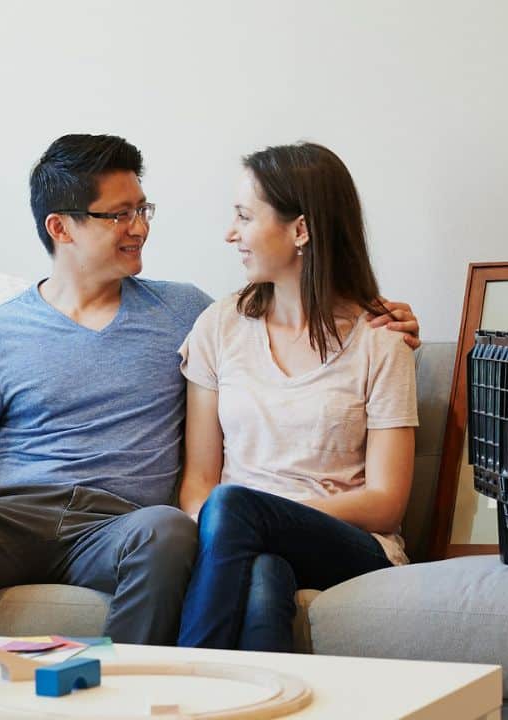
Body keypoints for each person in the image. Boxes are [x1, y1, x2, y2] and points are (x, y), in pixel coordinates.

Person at [0, 134, 421, 646]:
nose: (140, 227)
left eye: (142, 210)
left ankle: (128, 693)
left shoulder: (186, 312)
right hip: (12, 518)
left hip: (122, 525)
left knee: (168, 528)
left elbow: (296, 316)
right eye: (119, 215)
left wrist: (390, 319)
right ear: (61, 227)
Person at [176, 142, 417, 653]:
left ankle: (187, 671)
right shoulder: (218, 327)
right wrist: (236, 526)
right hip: (238, 535)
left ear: (301, 230)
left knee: (237, 508)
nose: (230, 233)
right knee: (264, 576)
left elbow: (387, 503)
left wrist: (269, 516)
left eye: (244, 216)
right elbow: (198, 483)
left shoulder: (381, 341)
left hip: (352, 545)